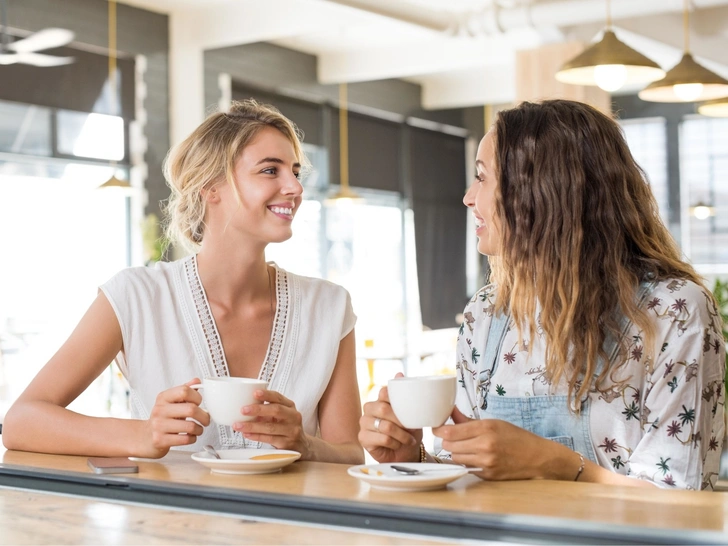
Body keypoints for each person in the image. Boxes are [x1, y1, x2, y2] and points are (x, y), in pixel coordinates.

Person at [359, 99, 725, 490]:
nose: (468, 197)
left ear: (539, 192)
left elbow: (681, 500)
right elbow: (466, 477)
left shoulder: (673, 312)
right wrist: (413, 459)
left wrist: (555, 463)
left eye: (482, 178)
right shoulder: (485, 314)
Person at [3, 99, 364, 464]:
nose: (295, 188)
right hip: (167, 521)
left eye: (295, 172)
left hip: (299, 521)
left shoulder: (329, 307)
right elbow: (21, 421)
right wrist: (142, 434)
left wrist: (304, 444)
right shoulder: (135, 297)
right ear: (211, 188)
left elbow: (350, 453)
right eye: (271, 171)